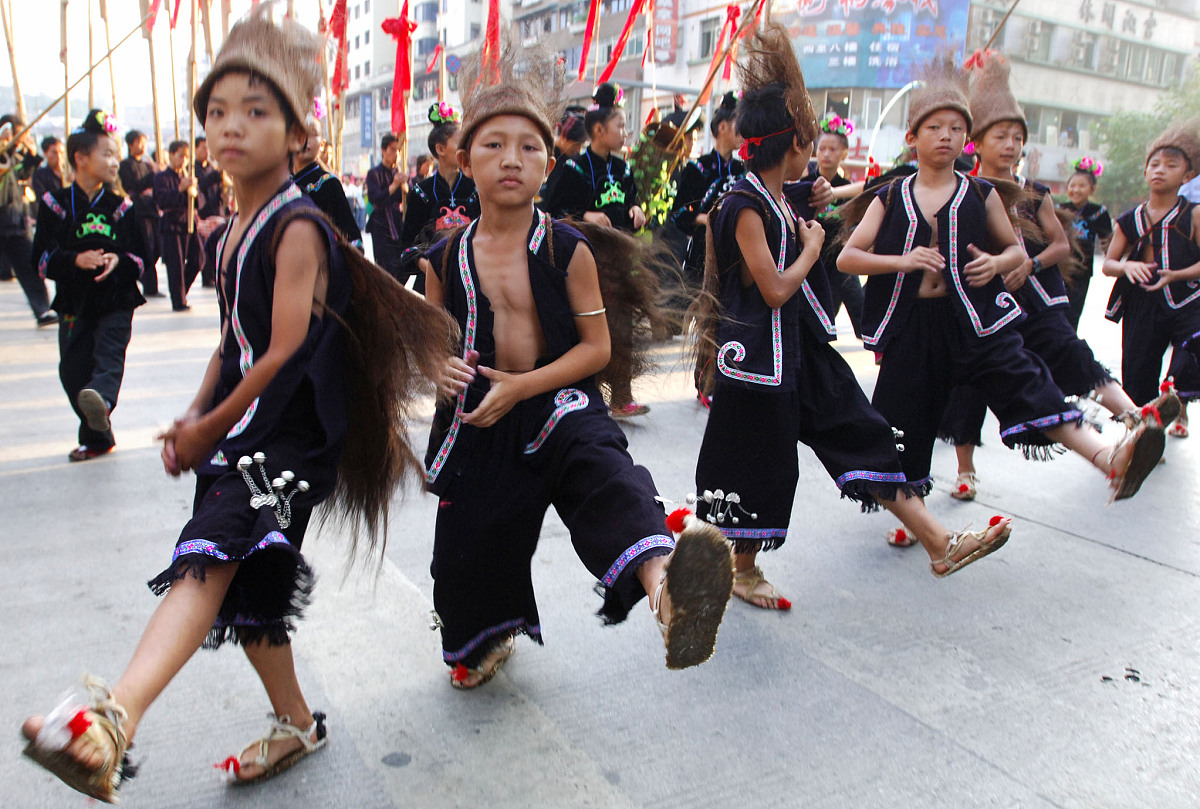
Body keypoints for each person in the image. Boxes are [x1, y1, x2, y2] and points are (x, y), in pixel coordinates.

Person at [19, 12, 453, 802]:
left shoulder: (298, 227)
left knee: (210, 554)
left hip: (289, 438)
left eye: (255, 110)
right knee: (251, 590)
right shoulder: (233, 229)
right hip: (245, 431)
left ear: (296, 132)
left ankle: (113, 720)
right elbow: (232, 343)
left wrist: (209, 428)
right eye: (217, 111)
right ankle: (297, 723)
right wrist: (195, 414)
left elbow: (282, 350)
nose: (230, 125)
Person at [419, 47, 733, 689]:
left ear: (548, 164)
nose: (512, 159)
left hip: (557, 398)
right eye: (494, 146)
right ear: (464, 160)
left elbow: (594, 351)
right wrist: (441, 368)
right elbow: (434, 344)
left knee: (607, 477)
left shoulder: (569, 249)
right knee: (465, 555)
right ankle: (488, 636)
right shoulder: (443, 258)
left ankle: (667, 592)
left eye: (529, 148)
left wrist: (524, 386)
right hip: (481, 416)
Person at [687, 25, 1012, 613]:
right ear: (790, 145)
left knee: (863, 433)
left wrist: (820, 208)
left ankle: (939, 543)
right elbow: (775, 290)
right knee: (758, 471)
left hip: (803, 354)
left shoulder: (780, 197)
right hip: (757, 365)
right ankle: (740, 570)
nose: (814, 155)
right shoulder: (742, 205)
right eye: (808, 144)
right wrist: (812, 247)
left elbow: (824, 207)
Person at [836, 55, 1164, 539]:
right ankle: (920, 525)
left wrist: (997, 263)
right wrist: (902, 261)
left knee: (1026, 381)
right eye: (934, 127)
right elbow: (849, 258)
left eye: (956, 128)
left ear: (965, 139)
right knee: (905, 425)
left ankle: (1107, 457)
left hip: (976, 320)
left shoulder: (982, 193)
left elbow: (1014, 249)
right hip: (913, 330)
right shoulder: (890, 196)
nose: (946, 136)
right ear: (912, 137)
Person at [937, 51, 1157, 504]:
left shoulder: (1035, 193)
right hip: (980, 308)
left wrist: (1028, 264)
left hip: (1034, 301)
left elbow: (1059, 246)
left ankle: (1137, 421)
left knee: (1064, 357)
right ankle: (963, 472)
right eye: (1001, 136)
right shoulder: (962, 191)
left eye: (1018, 137)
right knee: (967, 392)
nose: (1010, 145)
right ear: (977, 142)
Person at [33, 109, 145, 462]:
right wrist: (74, 260)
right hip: (73, 302)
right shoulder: (53, 205)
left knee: (108, 358)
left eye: (116, 155)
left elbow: (142, 257)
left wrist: (118, 261)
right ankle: (100, 434)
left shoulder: (122, 207)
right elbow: (41, 260)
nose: (115, 162)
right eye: (107, 154)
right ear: (81, 158)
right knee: (72, 372)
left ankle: (101, 408)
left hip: (116, 298)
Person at [543, 83, 650, 416]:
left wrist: (637, 209)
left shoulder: (623, 168)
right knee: (585, 331)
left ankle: (621, 397)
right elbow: (550, 212)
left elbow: (632, 200)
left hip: (619, 262)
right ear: (599, 130)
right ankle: (580, 397)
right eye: (620, 125)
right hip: (585, 264)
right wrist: (584, 216)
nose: (625, 132)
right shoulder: (572, 167)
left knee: (621, 328)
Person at [1102, 118, 1200, 430]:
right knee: (1137, 372)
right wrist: (1127, 266)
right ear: (1145, 172)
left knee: (1193, 346)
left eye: (1171, 165)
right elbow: (1108, 264)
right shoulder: (1129, 219)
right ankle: (1143, 433)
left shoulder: (1194, 214)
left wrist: (1177, 275)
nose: (1160, 170)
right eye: (1154, 164)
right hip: (1142, 302)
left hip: (1187, 300)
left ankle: (1173, 396)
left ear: (1188, 175)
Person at [401, 102, 479, 292]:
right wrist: (429, 268)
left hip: (472, 280)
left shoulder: (476, 188)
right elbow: (408, 247)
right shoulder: (421, 192)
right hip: (431, 284)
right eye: (460, 143)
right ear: (440, 149)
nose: (466, 149)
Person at [671, 91, 743, 296]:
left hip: (736, 253)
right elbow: (679, 213)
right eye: (739, 125)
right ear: (723, 127)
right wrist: (705, 218)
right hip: (702, 255)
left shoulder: (743, 170)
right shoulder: (698, 168)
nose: (743, 131)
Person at [805, 112, 864, 339]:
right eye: (822, 148)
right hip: (812, 262)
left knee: (859, 308)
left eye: (833, 149)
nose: (827, 154)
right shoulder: (806, 184)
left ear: (844, 153)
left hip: (840, 261)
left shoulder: (848, 188)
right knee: (818, 322)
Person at [0, 113, 56, 325]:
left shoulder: (14, 156)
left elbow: (21, 173)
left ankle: (42, 310)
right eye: (18, 134)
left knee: (29, 266)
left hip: (14, 222)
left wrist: (32, 157)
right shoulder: (4, 153)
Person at [1059, 156, 1113, 331]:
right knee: (1055, 312)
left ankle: (1068, 342)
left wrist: (1111, 260)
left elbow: (1107, 242)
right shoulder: (1059, 209)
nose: (1076, 190)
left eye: (1082, 186)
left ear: (1092, 188)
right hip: (1059, 268)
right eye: (1072, 185)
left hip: (1082, 271)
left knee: (1073, 314)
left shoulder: (1099, 212)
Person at [293, 119, 362, 247]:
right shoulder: (280, 184)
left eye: (313, 134)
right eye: (300, 133)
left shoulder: (329, 183)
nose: (305, 139)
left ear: (322, 143)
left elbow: (350, 235)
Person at [154, 140, 203, 311]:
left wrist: (193, 191)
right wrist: (179, 190)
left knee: (198, 259)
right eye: (180, 156)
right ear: (171, 155)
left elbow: (199, 204)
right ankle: (178, 301)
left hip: (188, 222)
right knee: (175, 264)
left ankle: (181, 291)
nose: (183, 160)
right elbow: (161, 201)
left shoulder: (188, 177)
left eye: (186, 157)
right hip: (171, 225)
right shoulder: (161, 177)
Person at [118, 130, 163, 296]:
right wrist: (151, 177)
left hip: (151, 209)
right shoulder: (125, 165)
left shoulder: (146, 165)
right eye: (139, 142)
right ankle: (151, 287)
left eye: (144, 142)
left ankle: (143, 276)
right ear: (130, 145)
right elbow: (133, 186)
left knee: (157, 248)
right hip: (138, 210)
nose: (143, 146)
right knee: (147, 248)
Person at [365, 133, 405, 278]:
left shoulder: (399, 173)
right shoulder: (373, 173)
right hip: (381, 225)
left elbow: (406, 198)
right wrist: (394, 185)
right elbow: (375, 198)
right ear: (383, 150)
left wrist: (405, 186)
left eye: (398, 150)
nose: (396, 153)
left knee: (401, 266)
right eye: (392, 149)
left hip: (397, 223)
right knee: (383, 267)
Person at [194, 135, 225, 287]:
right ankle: (207, 277)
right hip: (203, 212)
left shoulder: (211, 168)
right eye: (203, 148)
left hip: (216, 210)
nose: (206, 151)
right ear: (195, 149)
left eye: (208, 148)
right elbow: (200, 185)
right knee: (204, 248)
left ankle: (214, 275)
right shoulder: (193, 169)